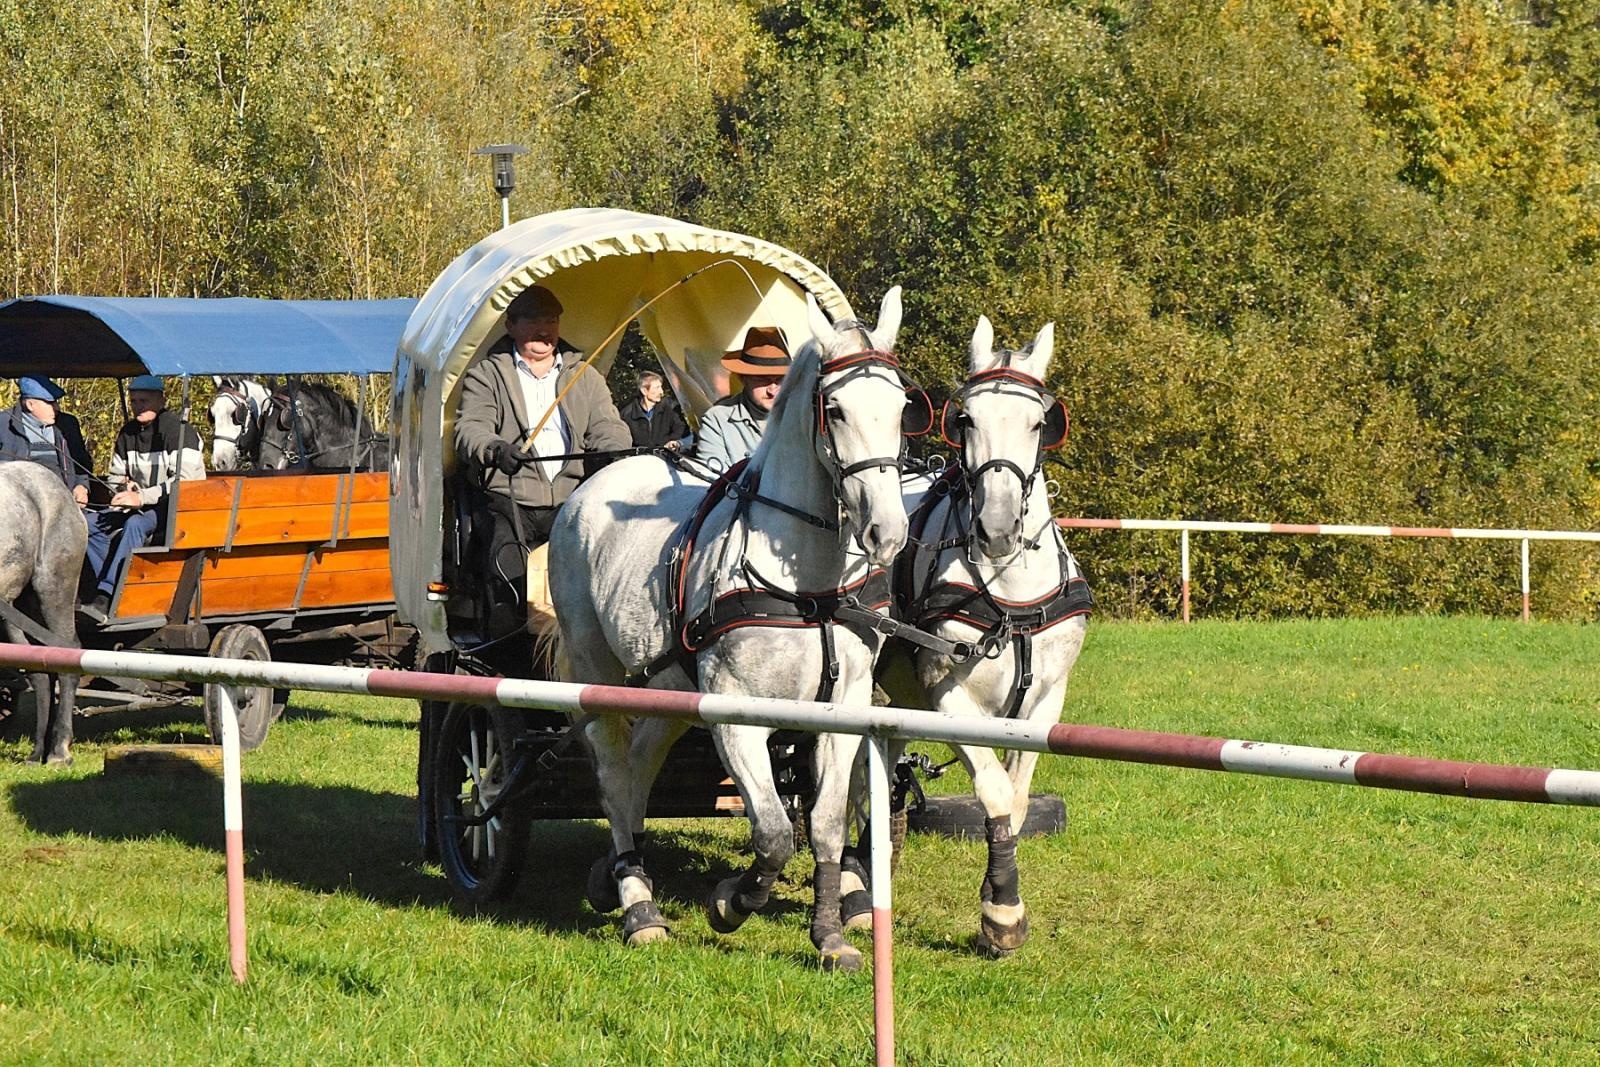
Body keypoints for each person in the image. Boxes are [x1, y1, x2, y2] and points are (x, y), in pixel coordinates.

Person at [454, 285, 630, 601]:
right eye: (533, 320)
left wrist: (614, 451)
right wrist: (495, 449)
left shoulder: (585, 375)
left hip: (572, 498)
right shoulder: (487, 375)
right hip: (508, 498)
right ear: (510, 325)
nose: (543, 330)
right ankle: (509, 629)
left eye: (550, 321)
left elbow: (608, 426)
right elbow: (470, 428)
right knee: (508, 578)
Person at [81, 375, 206, 621]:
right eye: (135, 401)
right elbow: (115, 475)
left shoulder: (179, 431)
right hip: (137, 504)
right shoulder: (127, 433)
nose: (138, 406)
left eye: (144, 401)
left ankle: (108, 594)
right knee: (87, 524)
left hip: (176, 508)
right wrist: (121, 488)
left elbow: (185, 483)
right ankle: (106, 583)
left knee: (136, 524)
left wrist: (141, 497)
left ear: (161, 400)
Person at [691, 326, 790, 471]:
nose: (772, 390)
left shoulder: (806, 416)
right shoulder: (718, 419)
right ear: (743, 378)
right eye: (762, 379)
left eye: (781, 379)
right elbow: (711, 477)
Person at [0, 377, 93, 506]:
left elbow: (82, 464)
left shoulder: (67, 424)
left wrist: (82, 486)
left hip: (64, 503)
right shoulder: (4, 423)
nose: (57, 408)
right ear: (30, 405)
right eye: (50, 403)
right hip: (18, 505)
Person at [618, 370, 690, 449]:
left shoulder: (671, 408)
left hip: (667, 454)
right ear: (644, 391)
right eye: (657, 388)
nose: (661, 391)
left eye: (661, 387)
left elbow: (684, 434)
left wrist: (676, 443)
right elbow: (622, 443)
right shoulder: (627, 415)